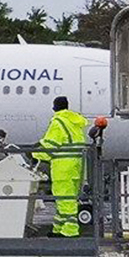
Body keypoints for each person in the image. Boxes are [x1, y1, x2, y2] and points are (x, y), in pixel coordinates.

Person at [34, 96, 90, 237]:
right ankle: (58, 228)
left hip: (62, 166)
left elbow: (50, 145)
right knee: (68, 198)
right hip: (76, 165)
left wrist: (34, 154)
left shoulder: (58, 121)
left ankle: (70, 230)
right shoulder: (74, 121)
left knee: (65, 198)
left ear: (55, 107)